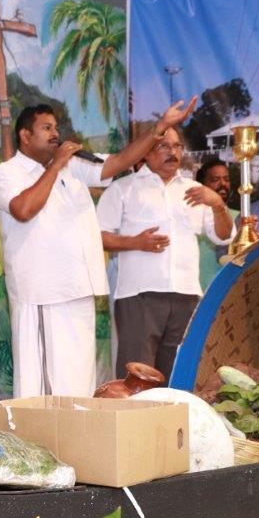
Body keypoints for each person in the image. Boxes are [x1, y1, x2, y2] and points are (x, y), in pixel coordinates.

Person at [0, 98, 198, 397]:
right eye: (46, 128)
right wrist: (56, 165)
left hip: (79, 289)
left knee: (79, 381)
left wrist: (161, 127)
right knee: (46, 389)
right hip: (43, 294)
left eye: (56, 127)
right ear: (25, 135)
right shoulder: (8, 172)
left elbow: (122, 160)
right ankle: (45, 429)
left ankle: (77, 427)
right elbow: (23, 210)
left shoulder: (74, 167)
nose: (55, 133)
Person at [98, 128, 234, 378]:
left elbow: (224, 236)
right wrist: (136, 242)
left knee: (178, 377)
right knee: (137, 379)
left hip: (187, 295)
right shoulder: (123, 188)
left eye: (177, 146)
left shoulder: (196, 190)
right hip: (139, 296)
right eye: (163, 146)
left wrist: (217, 204)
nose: (172, 152)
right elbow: (98, 236)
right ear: (145, 151)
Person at [195, 158, 238, 279]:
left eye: (226, 179)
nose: (223, 184)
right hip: (192, 285)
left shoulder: (239, 217)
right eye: (215, 180)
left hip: (225, 286)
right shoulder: (192, 215)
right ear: (202, 185)